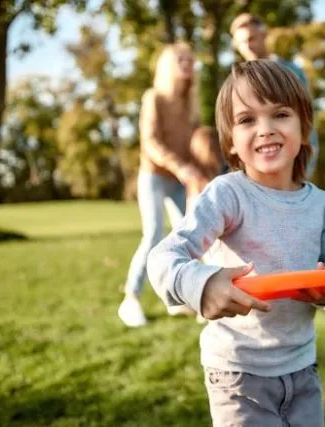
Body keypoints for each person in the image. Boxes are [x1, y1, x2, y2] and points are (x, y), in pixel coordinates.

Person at [147, 59, 325, 426]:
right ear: (230, 141)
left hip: (303, 371)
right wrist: (204, 283)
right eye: (247, 120)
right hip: (237, 377)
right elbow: (163, 257)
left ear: (305, 127)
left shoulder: (322, 206)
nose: (265, 130)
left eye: (280, 114)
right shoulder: (228, 195)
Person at [118, 42, 208, 328]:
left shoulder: (190, 103)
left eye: (190, 59)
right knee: (154, 233)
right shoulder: (153, 98)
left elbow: (196, 143)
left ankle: (180, 298)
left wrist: (203, 168)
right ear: (168, 65)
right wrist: (179, 166)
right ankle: (130, 299)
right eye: (180, 59)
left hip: (182, 179)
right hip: (154, 176)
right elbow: (151, 142)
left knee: (190, 237)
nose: (187, 63)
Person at [229, 12, 319, 178]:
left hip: (296, 153)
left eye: (251, 39)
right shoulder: (236, 81)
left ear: (264, 36)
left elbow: (306, 114)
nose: (247, 46)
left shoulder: (292, 71)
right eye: (241, 42)